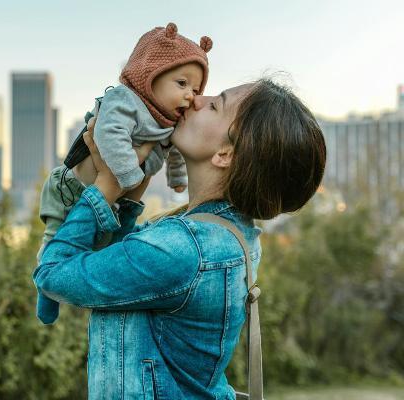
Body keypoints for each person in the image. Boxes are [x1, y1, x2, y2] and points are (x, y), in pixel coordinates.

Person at [33, 78, 326, 399]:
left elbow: (51, 275)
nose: (198, 100)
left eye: (215, 106)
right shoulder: (230, 235)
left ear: (225, 153)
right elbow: (124, 269)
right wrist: (131, 195)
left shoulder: (185, 248)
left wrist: (104, 188)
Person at [36, 22, 213, 324]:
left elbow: (174, 155)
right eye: (181, 84)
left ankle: (72, 287)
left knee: (106, 250)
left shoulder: (168, 123)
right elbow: (110, 135)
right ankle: (46, 295)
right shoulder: (124, 100)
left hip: (114, 199)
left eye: (195, 90)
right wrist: (130, 176)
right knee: (54, 240)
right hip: (74, 189)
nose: (189, 96)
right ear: (150, 75)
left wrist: (177, 178)